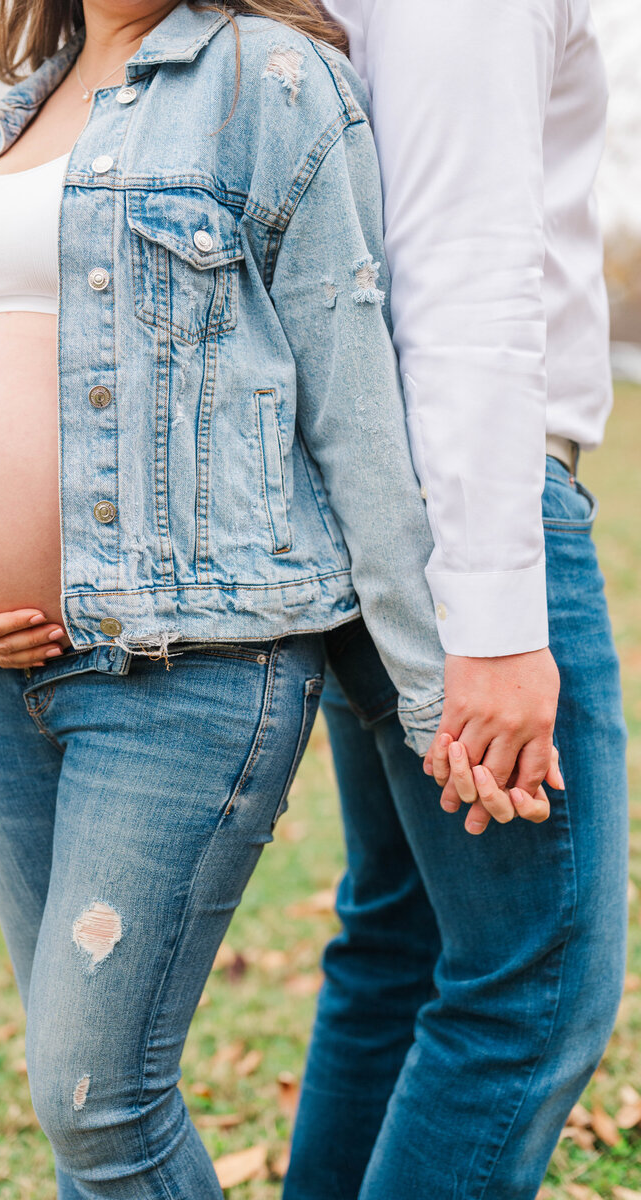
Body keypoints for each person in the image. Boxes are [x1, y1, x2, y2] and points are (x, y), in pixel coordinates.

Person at [0, 0, 474, 1194]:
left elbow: (352, 397)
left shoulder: (274, 83)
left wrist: (431, 690)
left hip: (185, 668)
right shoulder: (13, 110)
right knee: (77, 1098)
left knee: (96, 1105)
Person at [284, 2, 630, 1198]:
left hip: (370, 487)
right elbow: (464, 273)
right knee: (530, 985)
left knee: (401, 937)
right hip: (465, 504)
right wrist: (490, 624)